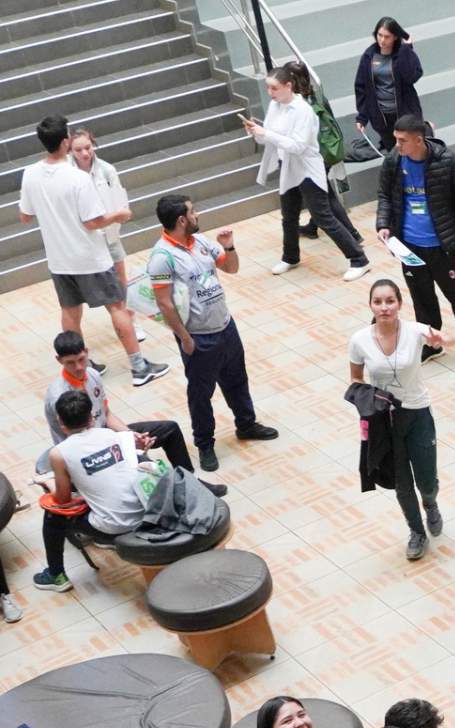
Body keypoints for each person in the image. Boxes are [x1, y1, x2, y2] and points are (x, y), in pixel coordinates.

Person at [146, 193, 278, 472]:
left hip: (226, 326)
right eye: (193, 212)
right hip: (198, 338)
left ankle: (246, 424)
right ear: (182, 220)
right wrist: (185, 338)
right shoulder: (162, 257)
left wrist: (228, 247)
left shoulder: (202, 242)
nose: (197, 216)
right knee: (200, 394)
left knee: (237, 380)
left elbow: (231, 268)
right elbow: (164, 303)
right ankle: (205, 444)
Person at [20, 116, 156, 383]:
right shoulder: (77, 178)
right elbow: (92, 221)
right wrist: (117, 215)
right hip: (91, 257)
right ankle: (139, 367)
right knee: (117, 306)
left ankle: (81, 366)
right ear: (65, 142)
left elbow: (25, 215)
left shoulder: (30, 173)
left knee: (70, 312)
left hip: (59, 259)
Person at [375, 114, 455, 367]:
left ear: (418, 140)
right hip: (409, 247)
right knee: (422, 300)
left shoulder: (446, 161)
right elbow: (384, 195)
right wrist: (383, 224)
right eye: (396, 140)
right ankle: (432, 344)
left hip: (443, 245)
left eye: (402, 141)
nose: (397, 145)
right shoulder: (393, 161)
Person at [243, 63, 369, 280]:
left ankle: (359, 259)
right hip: (288, 166)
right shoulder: (275, 107)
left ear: (288, 86)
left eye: (274, 88)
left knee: (324, 216)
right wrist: (256, 132)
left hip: (307, 169)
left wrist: (266, 133)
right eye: (268, 88)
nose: (270, 93)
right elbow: (271, 137)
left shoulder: (303, 110)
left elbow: (298, 145)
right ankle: (290, 256)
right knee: (289, 215)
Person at [34, 389, 169, 592]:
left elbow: (62, 500)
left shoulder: (59, 453)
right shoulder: (111, 435)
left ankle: (56, 575)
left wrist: (48, 483)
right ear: (91, 418)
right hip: (146, 515)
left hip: (112, 526)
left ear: (60, 422)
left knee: (53, 514)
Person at [350, 279, 446, 560]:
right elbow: (355, 379)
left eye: (390, 301)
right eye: (378, 302)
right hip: (385, 420)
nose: (384, 307)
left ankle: (430, 504)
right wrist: (368, 399)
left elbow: (447, 339)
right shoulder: (359, 340)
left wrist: (441, 340)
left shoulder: (415, 331)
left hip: (417, 412)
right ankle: (416, 532)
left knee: (426, 479)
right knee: (401, 482)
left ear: (399, 304)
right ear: (370, 305)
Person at [40, 331, 205, 490]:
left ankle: (191, 484)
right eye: (70, 362)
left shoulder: (92, 375)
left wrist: (131, 435)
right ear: (59, 360)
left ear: (87, 352)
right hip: (85, 451)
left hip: (105, 435)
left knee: (170, 430)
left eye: (82, 359)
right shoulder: (59, 397)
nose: (78, 367)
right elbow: (81, 441)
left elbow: (106, 414)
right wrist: (127, 446)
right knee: (143, 462)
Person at [64, 127, 138, 322]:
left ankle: (129, 318)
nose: (85, 153)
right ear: (70, 150)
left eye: (88, 147)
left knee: (120, 277)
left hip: (109, 232)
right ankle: (119, 316)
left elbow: (120, 200)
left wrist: (121, 215)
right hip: (83, 237)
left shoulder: (106, 170)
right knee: (91, 285)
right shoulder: (66, 173)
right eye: (78, 150)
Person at [352, 18, 422, 153]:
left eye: (387, 36)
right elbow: (361, 87)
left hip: (405, 113)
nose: (382, 40)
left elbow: (412, 77)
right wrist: (362, 116)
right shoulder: (369, 55)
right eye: (379, 35)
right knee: (394, 153)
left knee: (412, 150)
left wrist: (406, 50)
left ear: (395, 36)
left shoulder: (403, 52)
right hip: (382, 117)